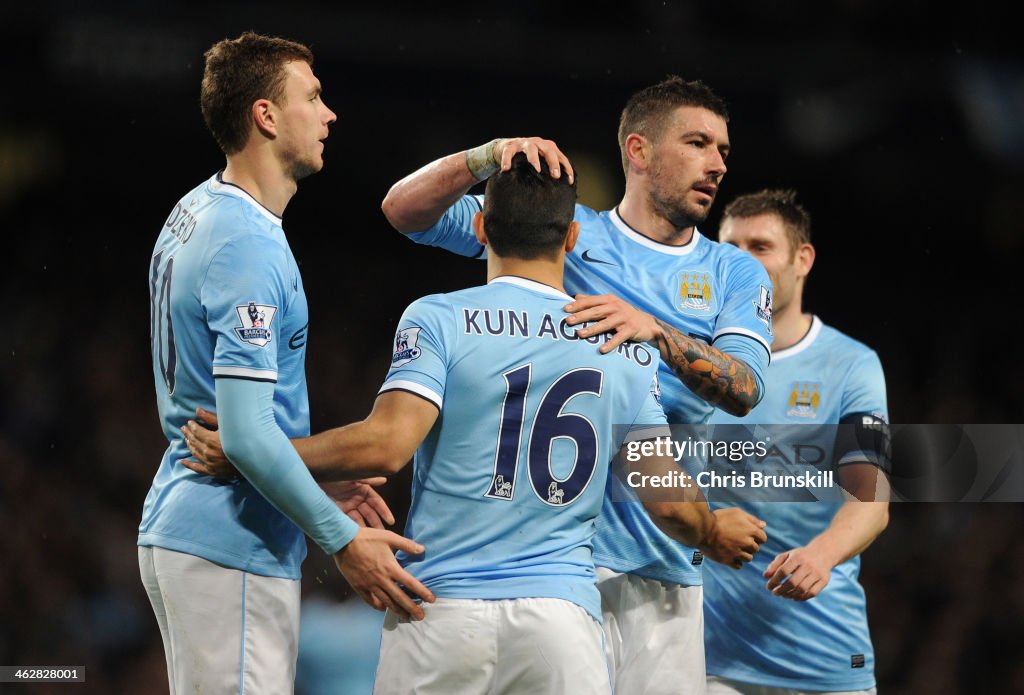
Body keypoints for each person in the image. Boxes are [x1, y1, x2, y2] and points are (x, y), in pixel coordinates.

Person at [183, 153, 719, 694]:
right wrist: (713, 529)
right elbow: (671, 504)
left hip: (440, 612)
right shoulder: (625, 351)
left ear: (481, 227)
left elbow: (386, 446)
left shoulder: (440, 317)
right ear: (572, 236)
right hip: (560, 625)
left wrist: (254, 451)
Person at [379, 76, 771, 694]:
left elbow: (747, 388)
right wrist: (485, 156)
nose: (718, 164)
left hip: (657, 565)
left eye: (723, 149)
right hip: (553, 564)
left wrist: (657, 332)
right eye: (698, 143)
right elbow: (404, 212)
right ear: (638, 152)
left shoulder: (733, 272)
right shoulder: (567, 233)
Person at [137, 32, 432, 695]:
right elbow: (242, 433)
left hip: (196, 525)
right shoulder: (248, 243)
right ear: (266, 116)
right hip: (228, 538)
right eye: (313, 97)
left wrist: (310, 482)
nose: (329, 114)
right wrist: (342, 539)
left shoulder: (196, 209)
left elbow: (234, 428)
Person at [705, 189, 890, 695]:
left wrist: (821, 555)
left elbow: (871, 499)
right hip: (709, 661)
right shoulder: (695, 362)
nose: (740, 263)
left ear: (801, 259)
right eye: (729, 248)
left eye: (760, 247)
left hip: (822, 653)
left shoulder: (851, 364)